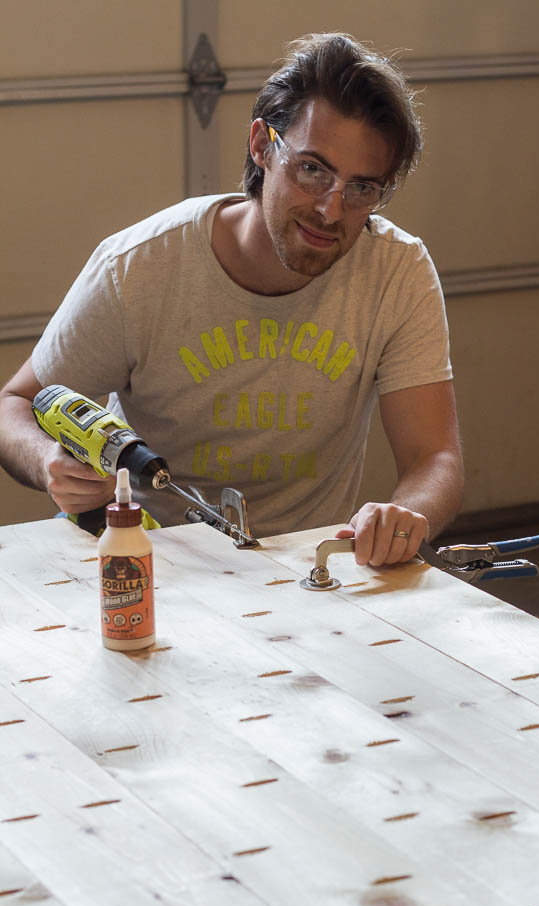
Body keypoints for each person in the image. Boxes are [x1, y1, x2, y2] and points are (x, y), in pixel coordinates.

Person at [0, 32, 463, 567]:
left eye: (361, 188)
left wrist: (405, 515)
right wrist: (50, 464)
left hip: (311, 566)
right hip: (147, 554)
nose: (331, 211)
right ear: (262, 146)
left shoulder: (396, 270)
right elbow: (14, 405)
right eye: (312, 170)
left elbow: (435, 457)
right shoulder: (138, 268)